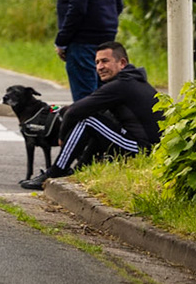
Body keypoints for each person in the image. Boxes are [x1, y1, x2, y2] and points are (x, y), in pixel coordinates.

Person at [21, 42, 159, 189]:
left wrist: (62, 137)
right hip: (147, 147)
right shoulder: (134, 81)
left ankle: (55, 172)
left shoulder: (120, 86)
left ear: (122, 63)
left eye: (105, 61)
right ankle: (78, 171)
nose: (100, 67)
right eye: (97, 62)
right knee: (98, 122)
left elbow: (74, 111)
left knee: (89, 121)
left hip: (142, 150)